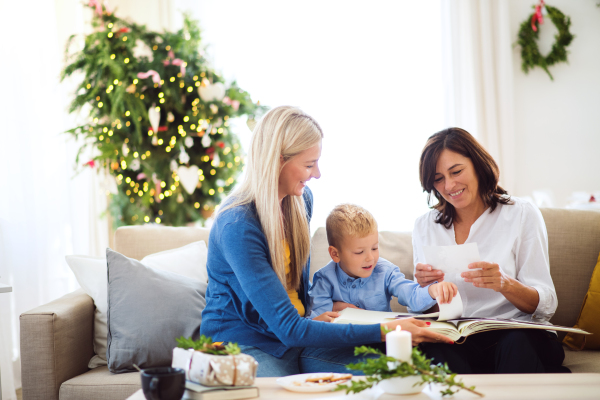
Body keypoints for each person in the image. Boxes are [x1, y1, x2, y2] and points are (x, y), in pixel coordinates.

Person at [200, 106, 453, 377]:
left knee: (399, 372)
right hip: (244, 342)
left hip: (296, 334)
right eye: (309, 164)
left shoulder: (299, 201)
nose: (317, 174)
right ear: (278, 160)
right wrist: (385, 331)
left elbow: (291, 290)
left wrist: (326, 309)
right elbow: (288, 329)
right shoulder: (237, 225)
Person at [412, 127, 567, 373]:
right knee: (433, 349)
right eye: (438, 178)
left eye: (456, 171)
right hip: (460, 340)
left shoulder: (521, 214)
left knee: (516, 344)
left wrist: (505, 283)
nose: (449, 185)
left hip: (516, 334)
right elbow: (423, 309)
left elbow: (546, 304)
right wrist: (426, 291)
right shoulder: (425, 226)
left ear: (477, 164)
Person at [309, 203, 457, 317]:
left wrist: (432, 290)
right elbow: (318, 321)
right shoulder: (324, 280)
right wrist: (334, 309)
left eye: (374, 248)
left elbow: (411, 294)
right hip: (341, 345)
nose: (370, 258)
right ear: (335, 254)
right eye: (359, 252)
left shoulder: (385, 271)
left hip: (380, 342)